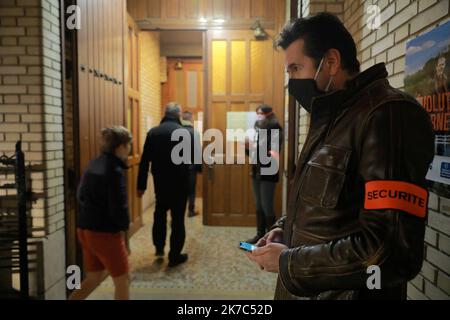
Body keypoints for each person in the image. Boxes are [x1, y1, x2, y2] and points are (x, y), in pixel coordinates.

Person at [245, 12, 435, 300]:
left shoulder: (389, 115)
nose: (291, 82)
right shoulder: (330, 115)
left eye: (296, 68)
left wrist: (289, 262)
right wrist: (285, 228)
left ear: (331, 62)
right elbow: (327, 205)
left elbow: (390, 251)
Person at [70, 126, 132, 300]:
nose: (129, 149)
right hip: (104, 233)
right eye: (128, 145)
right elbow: (118, 206)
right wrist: (124, 230)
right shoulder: (114, 170)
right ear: (120, 146)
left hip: (85, 229)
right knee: (123, 281)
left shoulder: (93, 163)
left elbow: (80, 194)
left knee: (93, 278)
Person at [137, 102, 189, 267]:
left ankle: (159, 248)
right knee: (178, 220)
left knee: (159, 215)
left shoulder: (153, 132)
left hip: (160, 185)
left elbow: (144, 161)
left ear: (164, 113)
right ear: (179, 114)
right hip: (180, 185)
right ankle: (174, 255)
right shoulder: (184, 133)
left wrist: (141, 185)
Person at [245, 105, 283, 244]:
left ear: (268, 114)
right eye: (257, 113)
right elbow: (253, 154)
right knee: (259, 205)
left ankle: (270, 240)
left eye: (260, 113)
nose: (258, 116)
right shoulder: (257, 128)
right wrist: (248, 148)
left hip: (268, 170)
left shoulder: (275, 128)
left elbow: (273, 152)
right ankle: (259, 235)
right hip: (256, 170)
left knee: (267, 206)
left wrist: (255, 148)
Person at [181, 111, 202, 217]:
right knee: (191, 190)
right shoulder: (195, 133)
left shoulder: (176, 131)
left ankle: (179, 211)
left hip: (178, 167)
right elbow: (198, 151)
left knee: (179, 190)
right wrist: (200, 168)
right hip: (191, 167)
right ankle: (190, 210)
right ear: (191, 119)